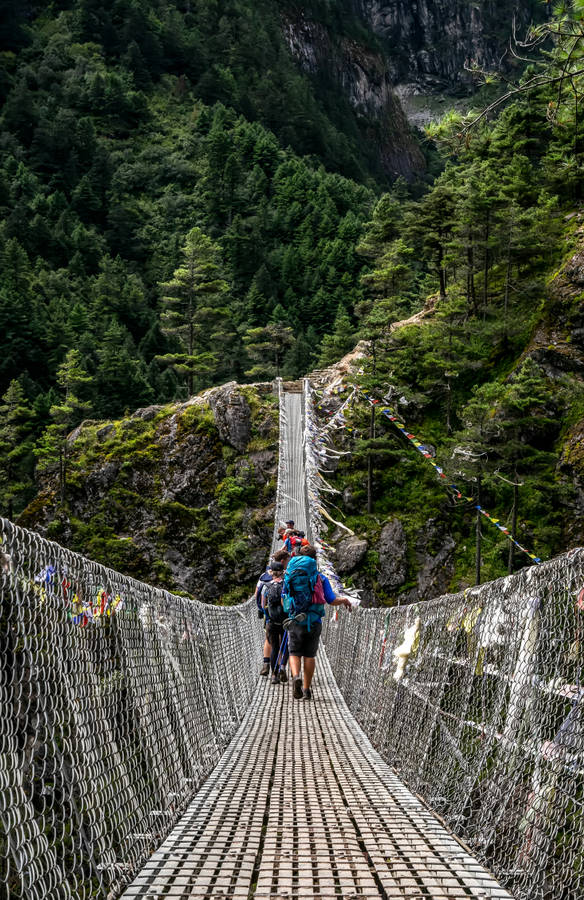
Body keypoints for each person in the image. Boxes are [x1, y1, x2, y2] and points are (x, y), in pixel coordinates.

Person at [284, 544, 351, 700]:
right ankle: (307, 689)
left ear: (298, 556)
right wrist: (344, 600)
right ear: (315, 559)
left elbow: (284, 598)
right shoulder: (321, 578)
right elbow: (331, 600)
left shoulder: (290, 575)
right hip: (314, 622)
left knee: (294, 653)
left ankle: (295, 677)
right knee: (309, 656)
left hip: (295, 620)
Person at [256, 548, 290, 675]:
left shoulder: (264, 579)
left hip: (270, 618)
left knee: (271, 642)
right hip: (285, 618)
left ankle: (269, 669)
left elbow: (259, 597)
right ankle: (282, 667)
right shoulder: (286, 581)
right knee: (284, 643)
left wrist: (262, 611)